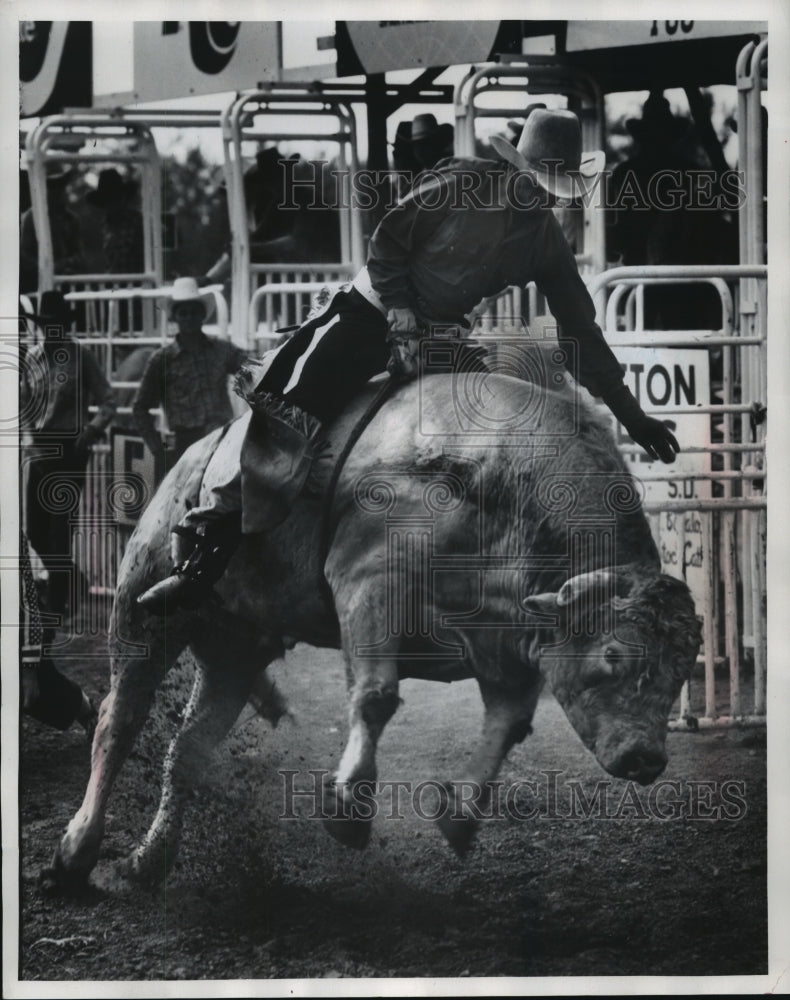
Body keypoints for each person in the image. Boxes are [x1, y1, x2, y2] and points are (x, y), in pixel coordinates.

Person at [138, 109, 679, 614]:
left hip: (441, 336)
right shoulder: (459, 183)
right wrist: (398, 315)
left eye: (553, 192)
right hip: (371, 311)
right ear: (515, 169)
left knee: (493, 435)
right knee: (287, 404)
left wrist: (633, 417)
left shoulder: (544, 240)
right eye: (537, 184)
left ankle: (472, 574)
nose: (542, 199)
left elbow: (580, 329)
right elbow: (388, 242)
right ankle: (207, 549)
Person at [21, 291, 116, 618]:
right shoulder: (32, 359)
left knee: (59, 528)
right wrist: (30, 431)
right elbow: (23, 401)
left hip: (70, 446)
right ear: (41, 326)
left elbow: (108, 399)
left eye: (58, 324)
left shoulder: (81, 355)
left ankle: (58, 602)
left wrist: (91, 430)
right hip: (39, 448)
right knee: (35, 530)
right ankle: (72, 579)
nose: (53, 330)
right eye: (48, 324)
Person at [132, 277, 249, 466]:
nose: (189, 318)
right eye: (183, 313)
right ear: (175, 317)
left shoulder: (222, 350)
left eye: (194, 312)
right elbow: (140, 407)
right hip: (185, 442)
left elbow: (253, 368)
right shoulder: (161, 360)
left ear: (202, 315)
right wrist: (156, 448)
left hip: (223, 437)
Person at [20, 531, 97, 738]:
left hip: (31, 610)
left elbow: (27, 606)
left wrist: (29, 668)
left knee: (41, 683)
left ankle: (88, 712)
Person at [19, 164, 85, 294]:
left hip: (67, 285)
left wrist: (67, 263)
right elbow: (24, 257)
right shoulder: (31, 218)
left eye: (60, 186)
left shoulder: (71, 219)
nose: (57, 191)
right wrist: (50, 267)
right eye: (51, 186)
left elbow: (79, 255)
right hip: (37, 286)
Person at [86, 168, 144, 274]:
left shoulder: (137, 220)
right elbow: (105, 260)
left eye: (115, 197)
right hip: (113, 284)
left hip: (136, 283)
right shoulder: (104, 225)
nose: (113, 203)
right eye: (108, 199)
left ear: (123, 198)